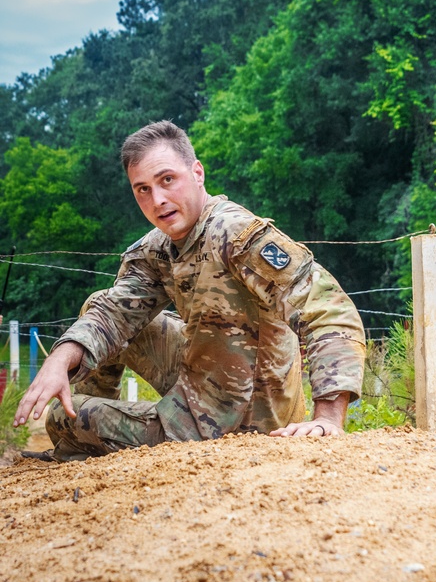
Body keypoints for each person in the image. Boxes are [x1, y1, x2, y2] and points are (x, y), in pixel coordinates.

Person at [14, 120, 366, 462]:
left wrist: (328, 418)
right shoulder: (156, 248)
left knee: (63, 421)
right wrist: (60, 358)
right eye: (143, 189)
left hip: (246, 420)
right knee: (99, 306)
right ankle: (86, 433)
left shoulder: (235, 233)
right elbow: (113, 314)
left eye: (168, 180)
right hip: (203, 378)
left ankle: (82, 435)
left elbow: (328, 308)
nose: (158, 200)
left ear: (197, 173)